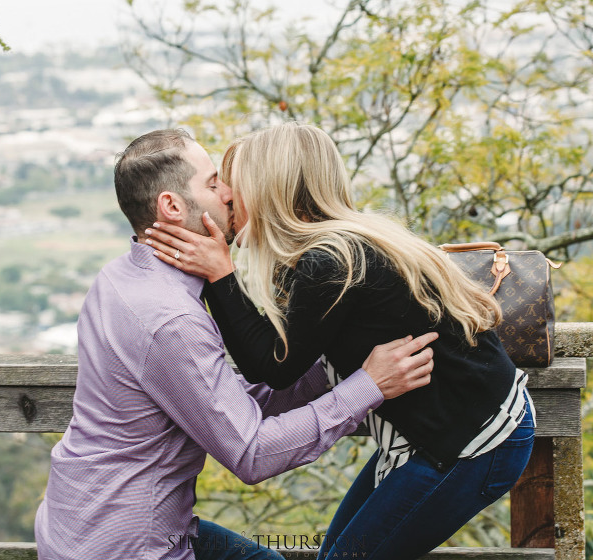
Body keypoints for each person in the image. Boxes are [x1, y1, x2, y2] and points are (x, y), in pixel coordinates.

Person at [33, 128, 437, 560]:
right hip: (130, 545)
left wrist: (331, 359)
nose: (229, 193)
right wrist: (367, 386)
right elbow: (252, 452)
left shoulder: (117, 279)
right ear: (171, 206)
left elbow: (224, 402)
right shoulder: (172, 321)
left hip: (81, 521)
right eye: (212, 183)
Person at [145, 123, 536, 559]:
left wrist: (220, 276)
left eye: (235, 191)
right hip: (440, 432)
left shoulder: (330, 262)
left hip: (472, 443)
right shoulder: (342, 243)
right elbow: (288, 347)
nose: (227, 201)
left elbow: (274, 367)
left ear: (271, 190)